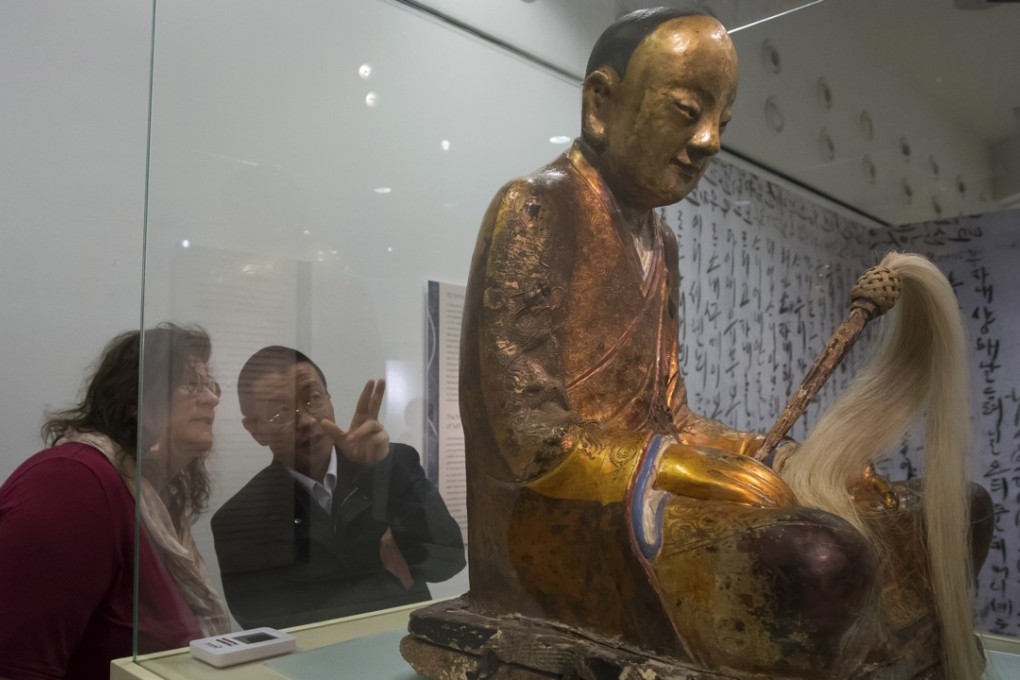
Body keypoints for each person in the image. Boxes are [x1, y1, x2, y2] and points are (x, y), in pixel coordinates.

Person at [450, 9, 983, 679]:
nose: (708, 141)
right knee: (818, 558)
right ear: (601, 104)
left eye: (722, 123)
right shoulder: (536, 208)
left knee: (939, 513)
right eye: (686, 110)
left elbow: (671, 415)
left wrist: (789, 455)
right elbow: (529, 436)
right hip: (565, 521)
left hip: (635, 486)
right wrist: (671, 468)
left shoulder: (660, 243)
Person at [0, 323, 229, 680]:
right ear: (135, 400)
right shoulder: (72, 483)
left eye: (210, 384)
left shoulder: (153, 501)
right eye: (190, 383)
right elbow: (15, 666)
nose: (211, 398)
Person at [212, 346, 465, 629]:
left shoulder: (393, 464)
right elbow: (278, 627)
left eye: (314, 399)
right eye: (281, 412)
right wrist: (393, 580)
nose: (307, 421)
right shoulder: (240, 519)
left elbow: (448, 563)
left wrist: (380, 470)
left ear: (330, 398)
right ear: (255, 430)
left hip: (405, 647)